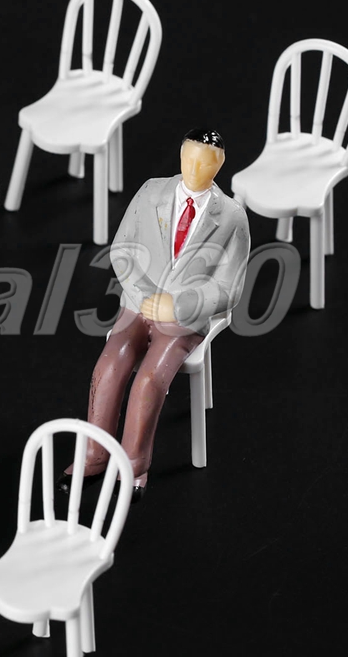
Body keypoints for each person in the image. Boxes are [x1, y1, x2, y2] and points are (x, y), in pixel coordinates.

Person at [72, 129, 251, 499]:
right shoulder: (151, 191)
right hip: (137, 304)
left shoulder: (232, 217)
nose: (194, 168)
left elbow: (230, 288)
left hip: (185, 319)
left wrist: (179, 304)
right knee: (109, 365)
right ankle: (94, 454)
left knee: (150, 380)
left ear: (219, 165)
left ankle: (134, 466)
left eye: (205, 162)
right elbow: (122, 248)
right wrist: (143, 294)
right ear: (181, 155)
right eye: (189, 158)